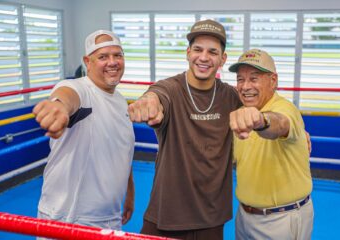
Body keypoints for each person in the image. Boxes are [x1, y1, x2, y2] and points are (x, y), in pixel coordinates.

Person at [128, 19, 242, 239]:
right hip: (167, 213)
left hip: (211, 217)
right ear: (188, 53)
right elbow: (155, 96)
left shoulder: (230, 96)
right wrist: (149, 103)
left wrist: (293, 125)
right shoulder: (171, 88)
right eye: (198, 49)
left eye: (213, 52)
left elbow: (264, 110)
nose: (204, 57)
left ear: (222, 59)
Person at [33, 30, 135, 231]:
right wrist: (59, 106)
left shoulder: (121, 101)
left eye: (118, 55)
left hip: (109, 216)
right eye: (103, 57)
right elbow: (67, 95)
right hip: (67, 218)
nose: (112, 62)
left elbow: (122, 150)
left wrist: (129, 192)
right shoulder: (81, 89)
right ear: (87, 62)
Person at [229, 49, 313, 240]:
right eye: (240, 79)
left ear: (273, 81)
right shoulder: (242, 112)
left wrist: (260, 121)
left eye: (254, 78)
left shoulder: (285, 108)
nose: (245, 86)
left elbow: (280, 124)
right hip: (244, 216)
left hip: (281, 219)